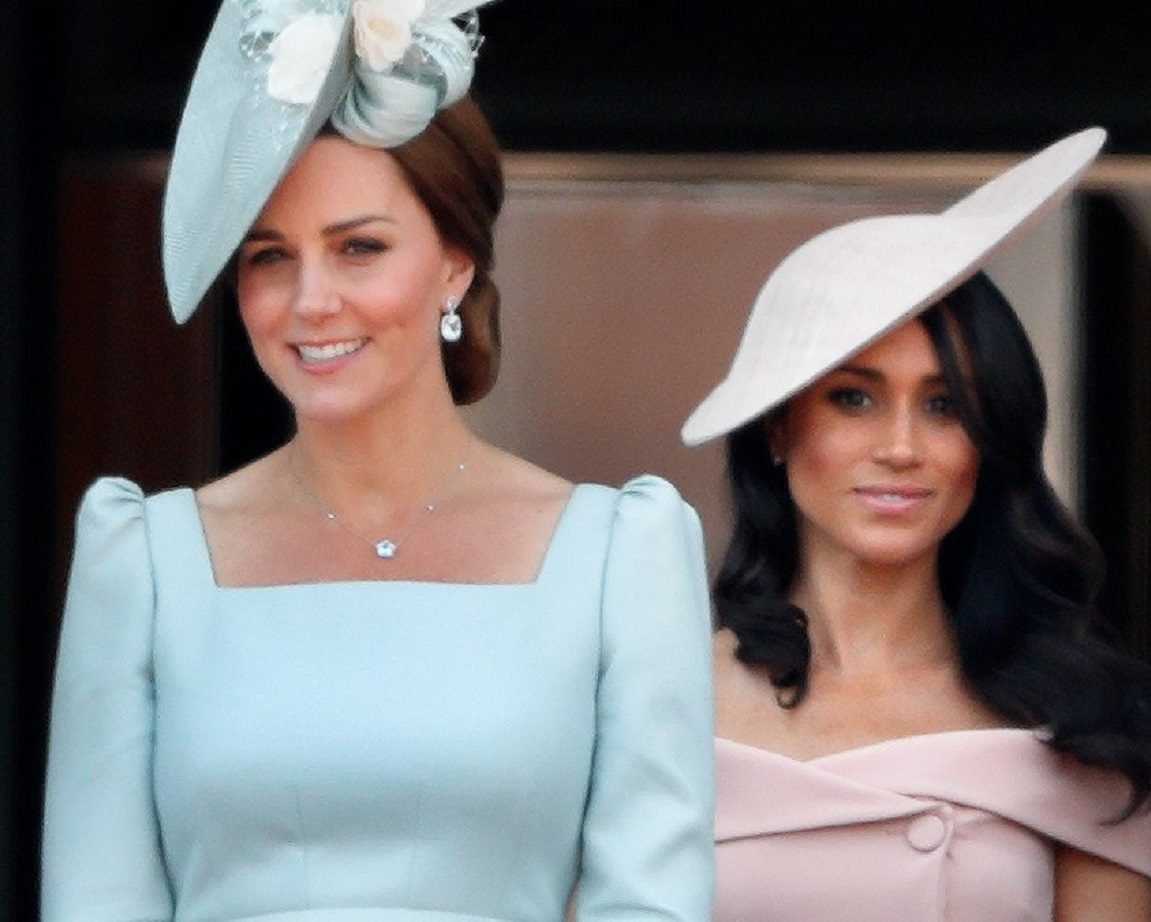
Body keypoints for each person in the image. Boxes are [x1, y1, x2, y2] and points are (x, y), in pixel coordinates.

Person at [41, 2, 714, 919]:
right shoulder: (143, 561)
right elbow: (95, 900)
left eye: (359, 248)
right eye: (268, 257)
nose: (311, 301)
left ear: (456, 263)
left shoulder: (619, 554)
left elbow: (649, 902)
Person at [680, 127, 1151, 921]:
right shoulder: (654, 699)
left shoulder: (1081, 721)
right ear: (777, 427)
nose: (902, 448)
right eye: (854, 397)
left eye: (945, 406)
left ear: (989, 437)